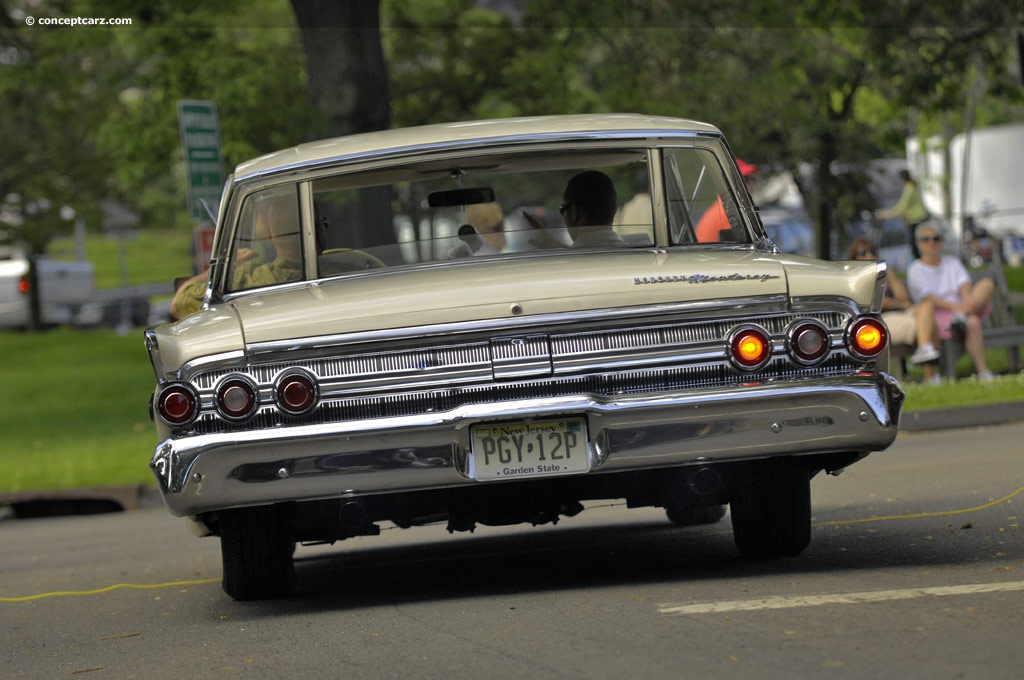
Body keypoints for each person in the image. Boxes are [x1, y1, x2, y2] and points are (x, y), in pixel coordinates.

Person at [171, 193, 302, 319]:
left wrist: (222, 268)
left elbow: (179, 303)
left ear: (269, 233)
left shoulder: (244, 280)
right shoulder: (322, 266)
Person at [906, 223, 996, 382]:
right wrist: (957, 308)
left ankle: (983, 373)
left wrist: (966, 303)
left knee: (986, 284)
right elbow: (928, 299)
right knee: (973, 322)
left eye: (936, 238)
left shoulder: (952, 262)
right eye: (926, 239)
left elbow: (965, 286)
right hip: (937, 314)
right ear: (919, 243)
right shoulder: (915, 269)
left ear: (942, 241)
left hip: (964, 308)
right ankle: (983, 372)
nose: (931, 242)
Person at [848, 238, 939, 383]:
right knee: (926, 326)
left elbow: (904, 299)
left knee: (926, 306)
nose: (869, 256)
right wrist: (892, 303)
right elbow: (873, 304)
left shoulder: (885, 276)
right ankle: (930, 376)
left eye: (873, 251)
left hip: (902, 313)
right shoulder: (853, 280)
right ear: (853, 257)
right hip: (880, 320)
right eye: (862, 252)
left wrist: (887, 273)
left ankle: (925, 352)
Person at [525, 170, 624, 248]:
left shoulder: (559, 271)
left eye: (562, 209)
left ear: (575, 212)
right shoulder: (636, 260)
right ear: (615, 209)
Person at [694, 158, 757, 243]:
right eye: (745, 179)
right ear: (729, 182)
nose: (751, 183)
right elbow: (740, 249)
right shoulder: (729, 211)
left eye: (751, 178)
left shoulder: (723, 206)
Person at [877, 169, 928, 260]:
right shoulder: (914, 186)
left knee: (914, 246)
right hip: (919, 217)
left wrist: (886, 215)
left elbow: (902, 207)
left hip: (915, 219)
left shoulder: (909, 188)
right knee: (917, 245)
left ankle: (921, 264)